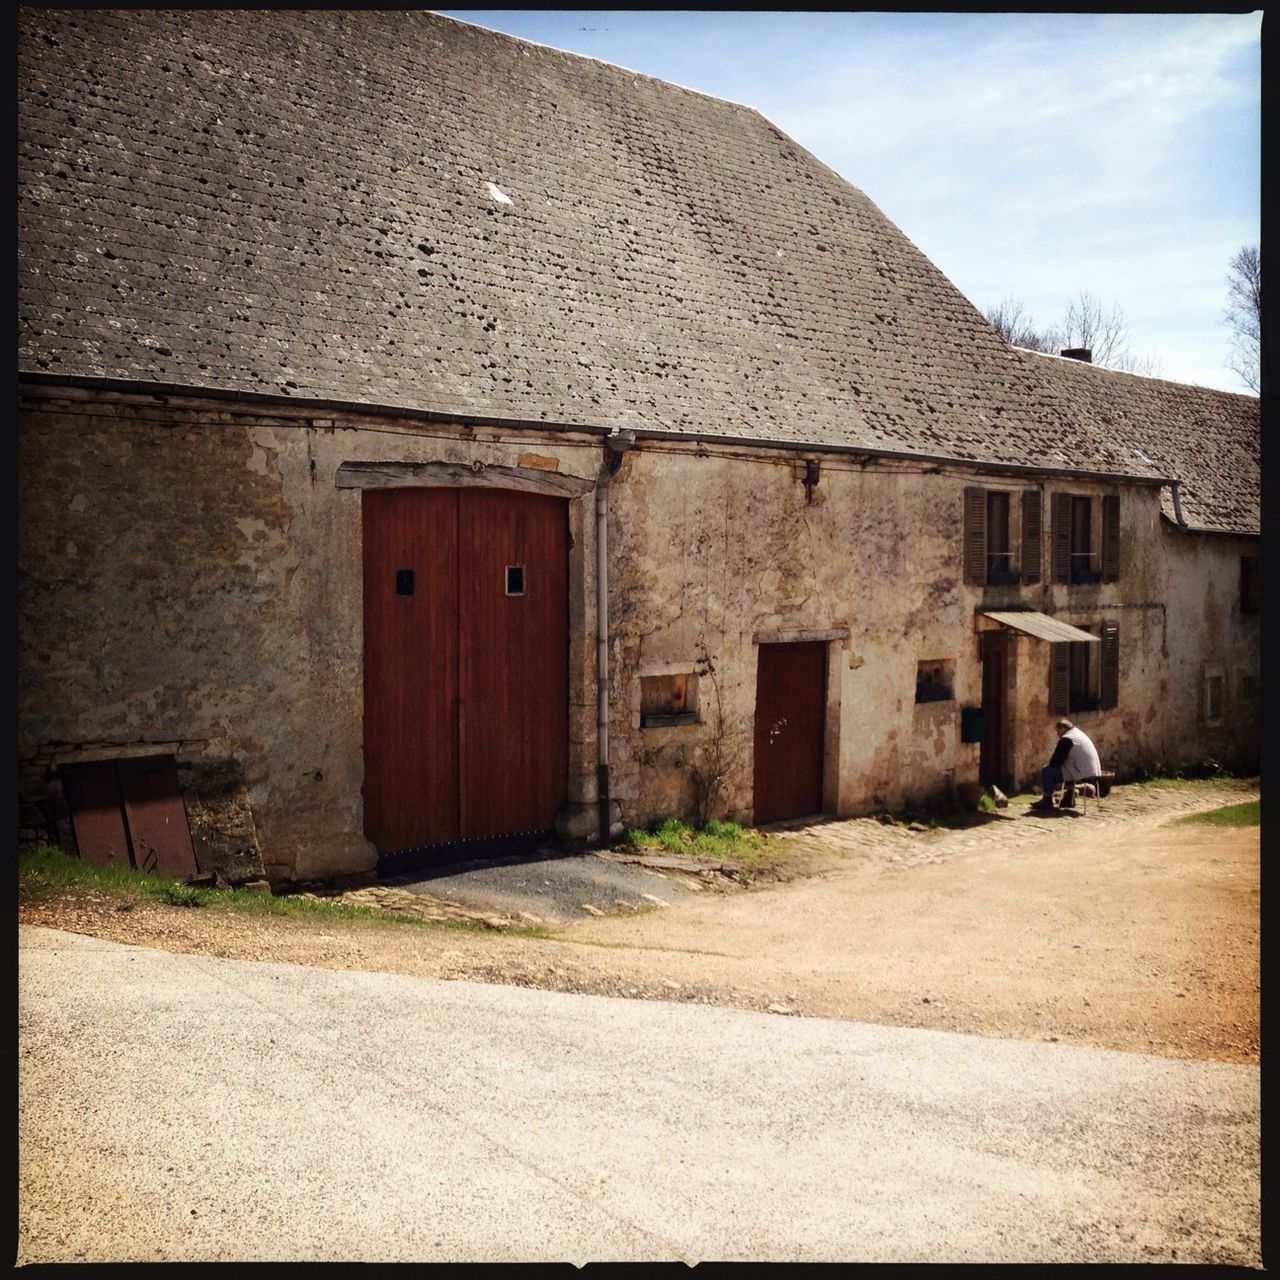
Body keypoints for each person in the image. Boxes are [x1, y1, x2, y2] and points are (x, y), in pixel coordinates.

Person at [1029, 718, 1102, 812]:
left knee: (1047, 770)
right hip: (1093, 770)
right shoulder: (1078, 734)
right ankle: (1069, 798)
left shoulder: (1067, 739)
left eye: (1058, 731)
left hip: (1081, 771)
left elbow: (1055, 762)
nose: (1057, 734)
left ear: (1063, 728)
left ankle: (1047, 801)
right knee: (1068, 766)